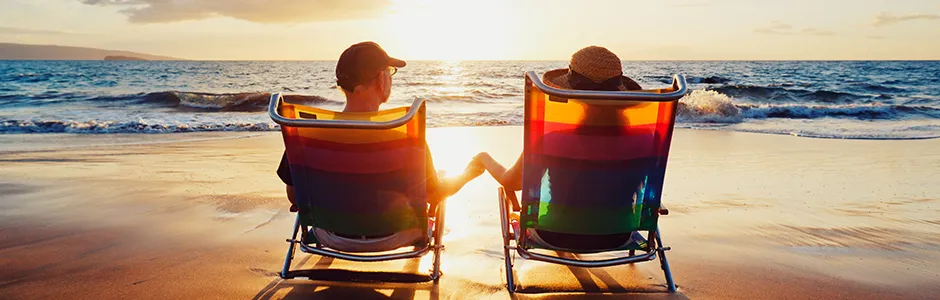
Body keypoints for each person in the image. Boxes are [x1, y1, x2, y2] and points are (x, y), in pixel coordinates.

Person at [276, 41, 483, 249]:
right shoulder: (405, 137)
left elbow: (294, 195)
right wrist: (467, 174)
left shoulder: (309, 135)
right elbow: (432, 195)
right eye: (389, 72)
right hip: (396, 236)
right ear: (382, 79)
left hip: (329, 235)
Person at [474, 45, 644, 251]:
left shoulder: (552, 140)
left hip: (553, 235)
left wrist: (484, 159)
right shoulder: (641, 143)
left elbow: (513, 182)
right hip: (618, 236)